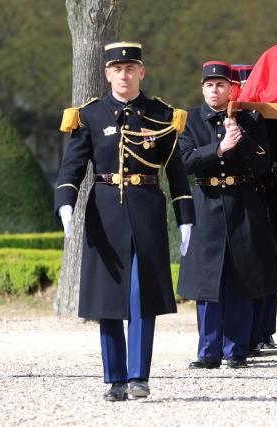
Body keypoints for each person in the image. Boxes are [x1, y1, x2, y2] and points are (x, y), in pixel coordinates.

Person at [55, 41, 195, 401]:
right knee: (108, 299)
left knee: (140, 295)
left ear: (141, 72)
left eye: (130, 68)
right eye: (117, 69)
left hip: (146, 210)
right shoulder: (90, 115)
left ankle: (138, 376)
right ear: (107, 74)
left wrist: (185, 218)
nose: (124, 75)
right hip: (104, 212)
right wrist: (65, 205)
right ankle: (115, 378)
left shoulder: (162, 114)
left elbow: (176, 174)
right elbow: (72, 167)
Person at [177, 61, 277, 369]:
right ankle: (208, 351)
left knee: (242, 278)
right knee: (208, 283)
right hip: (206, 203)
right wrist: (219, 148)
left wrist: (243, 139)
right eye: (209, 85)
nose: (215, 90)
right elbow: (183, 161)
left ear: (231, 88)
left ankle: (236, 350)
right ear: (202, 89)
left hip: (241, 201)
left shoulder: (249, 119)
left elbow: (264, 163)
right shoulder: (190, 120)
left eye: (221, 85)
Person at [231, 65, 277, 355]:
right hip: (238, 190)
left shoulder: (270, 115)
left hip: (266, 190)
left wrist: (273, 121)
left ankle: (264, 329)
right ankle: (243, 331)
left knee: (271, 262)